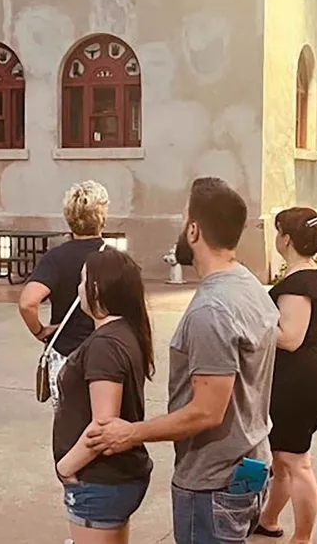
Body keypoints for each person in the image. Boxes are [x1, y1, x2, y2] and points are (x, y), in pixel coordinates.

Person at [84, 176, 280, 544]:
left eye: (182, 219)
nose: (180, 228)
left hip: (212, 484)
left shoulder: (211, 310)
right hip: (250, 464)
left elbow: (207, 411)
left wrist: (130, 433)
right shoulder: (250, 286)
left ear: (194, 230)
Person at [53, 247, 155, 544]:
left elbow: (104, 425)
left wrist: (66, 467)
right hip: (116, 478)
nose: (78, 288)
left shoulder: (105, 345)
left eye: (83, 281)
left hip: (100, 479)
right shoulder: (126, 332)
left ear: (96, 289)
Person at [255, 207, 317, 543]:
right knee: (282, 457)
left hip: (295, 381)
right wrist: (313, 343)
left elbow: (289, 338)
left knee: (297, 462)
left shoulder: (296, 284)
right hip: (312, 371)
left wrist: (254, 325)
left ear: (287, 239)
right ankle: (269, 518)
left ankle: (303, 538)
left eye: (278, 231)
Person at [18, 180, 109, 407]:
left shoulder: (55, 258)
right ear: (102, 217)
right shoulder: (116, 259)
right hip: (106, 354)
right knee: (104, 426)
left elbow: (28, 303)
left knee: (68, 427)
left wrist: (40, 331)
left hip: (66, 355)